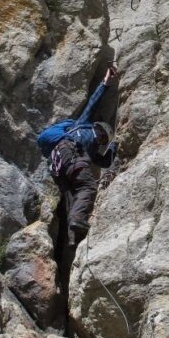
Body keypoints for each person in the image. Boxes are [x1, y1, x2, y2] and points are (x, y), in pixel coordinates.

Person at [53, 63, 119, 255]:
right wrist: (106, 81)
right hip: (69, 153)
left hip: (58, 166)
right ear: (99, 129)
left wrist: (113, 150)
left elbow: (104, 162)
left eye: (105, 141)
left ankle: (73, 238)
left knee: (71, 200)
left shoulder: (90, 150)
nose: (102, 141)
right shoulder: (83, 125)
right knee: (88, 187)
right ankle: (77, 222)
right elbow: (93, 102)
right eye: (104, 138)